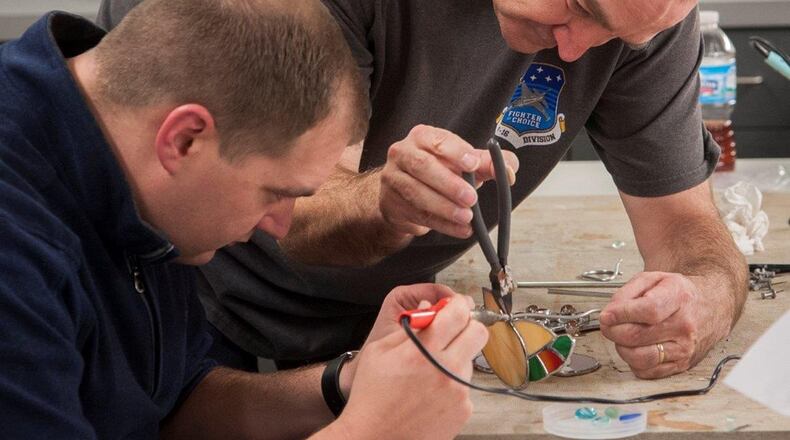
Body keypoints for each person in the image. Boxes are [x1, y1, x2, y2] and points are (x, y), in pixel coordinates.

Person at [99, 0, 748, 380]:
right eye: (578, 5)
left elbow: (686, 228)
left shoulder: (635, 17)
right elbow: (287, 212)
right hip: (187, 299)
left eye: (619, 35)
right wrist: (384, 203)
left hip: (380, 327)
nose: (578, 50)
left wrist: (703, 296)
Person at [0, 0, 488, 438]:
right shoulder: (15, 247)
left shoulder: (135, 166)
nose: (280, 226)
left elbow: (174, 404)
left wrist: (348, 383)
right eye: (275, 193)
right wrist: (376, 431)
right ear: (185, 139)